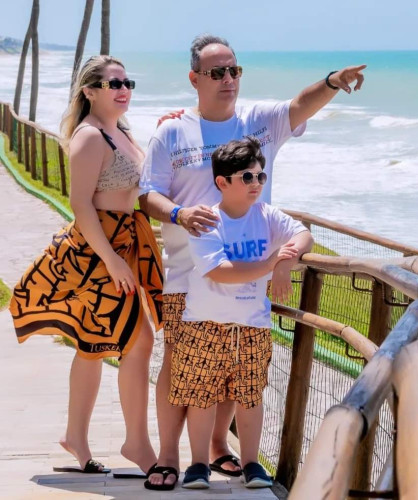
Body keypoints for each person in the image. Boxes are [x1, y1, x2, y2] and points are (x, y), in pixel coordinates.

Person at [139, 33, 365, 489]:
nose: (228, 80)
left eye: (234, 70)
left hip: (244, 276)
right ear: (194, 79)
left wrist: (332, 82)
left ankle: (219, 450)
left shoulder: (258, 120)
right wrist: (180, 214)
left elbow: (299, 106)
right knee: (178, 365)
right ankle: (168, 455)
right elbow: (148, 194)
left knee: (231, 369)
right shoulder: (172, 131)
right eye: (217, 72)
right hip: (188, 272)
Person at [9, 55, 163, 477]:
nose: (123, 89)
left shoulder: (122, 130)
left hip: (121, 244)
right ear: (89, 91)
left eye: (128, 82)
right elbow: (80, 205)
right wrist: (112, 259)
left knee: (93, 345)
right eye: (114, 83)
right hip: (97, 252)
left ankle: (75, 437)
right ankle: (137, 444)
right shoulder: (90, 137)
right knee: (139, 342)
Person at [171, 137, 313, 489]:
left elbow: (304, 233)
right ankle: (199, 465)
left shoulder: (266, 215)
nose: (256, 184)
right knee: (201, 396)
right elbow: (219, 270)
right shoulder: (207, 220)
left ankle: (252, 464)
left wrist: (286, 261)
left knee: (250, 395)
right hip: (204, 323)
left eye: (260, 177)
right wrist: (269, 264)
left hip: (252, 325)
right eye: (247, 177)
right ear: (223, 182)